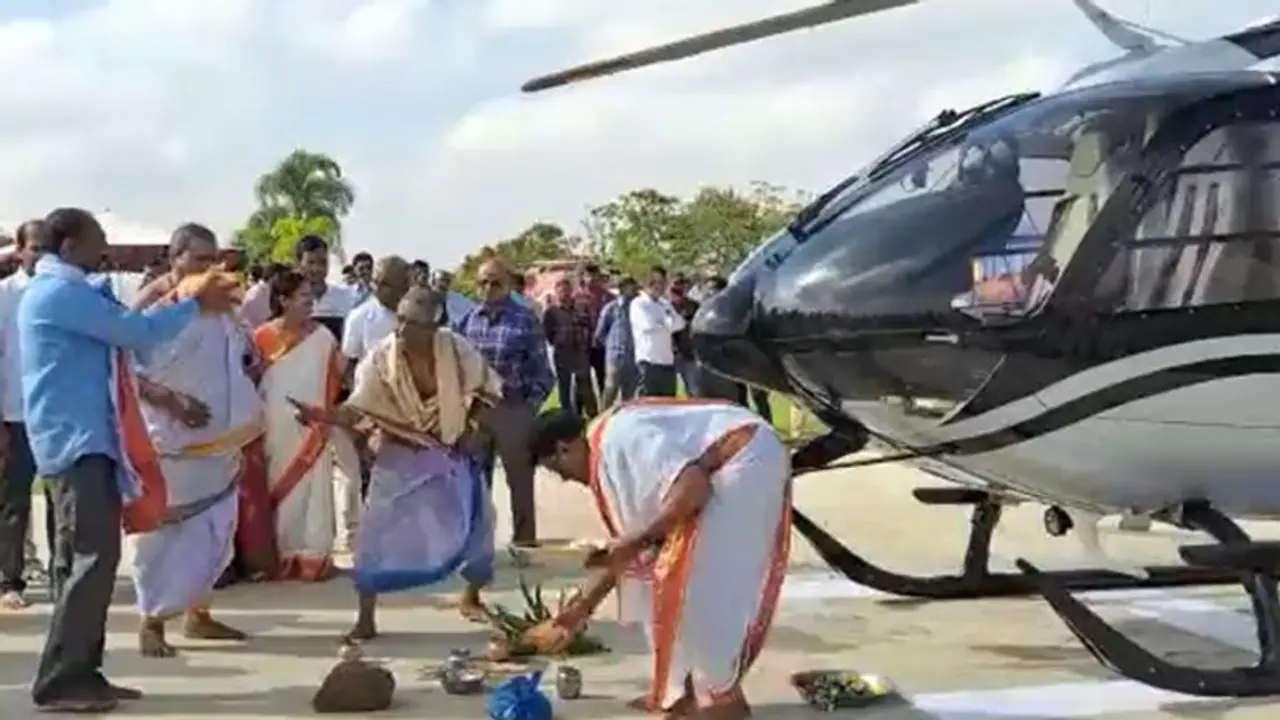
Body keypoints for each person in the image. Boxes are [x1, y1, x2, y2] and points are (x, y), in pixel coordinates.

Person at [22, 208, 238, 713]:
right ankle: (63, 679)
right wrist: (190, 301)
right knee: (90, 561)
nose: (107, 246)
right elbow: (138, 333)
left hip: (90, 441)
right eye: (98, 238)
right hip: (77, 444)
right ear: (71, 243)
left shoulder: (73, 291)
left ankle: (80, 672)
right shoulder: (59, 294)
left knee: (90, 562)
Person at [524, 401, 792, 720]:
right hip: (719, 468)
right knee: (661, 577)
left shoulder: (623, 439)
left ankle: (722, 701)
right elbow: (628, 554)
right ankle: (686, 693)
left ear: (564, 448)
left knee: (702, 585)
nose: (567, 481)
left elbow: (693, 488)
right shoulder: (606, 455)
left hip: (744, 458)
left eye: (558, 470)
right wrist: (575, 614)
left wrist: (640, 540)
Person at [293, 288, 502, 639]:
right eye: (400, 319)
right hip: (400, 452)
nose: (402, 329)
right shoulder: (380, 358)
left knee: (478, 525)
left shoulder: (454, 348)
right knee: (376, 535)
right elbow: (358, 410)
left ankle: (471, 596)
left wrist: (474, 426)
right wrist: (323, 416)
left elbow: (488, 388)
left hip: (449, 450)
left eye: (413, 323)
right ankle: (365, 618)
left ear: (435, 326)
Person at [125, 223, 264, 659]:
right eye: (200, 259)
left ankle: (198, 614)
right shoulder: (156, 304)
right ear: (175, 259)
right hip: (172, 441)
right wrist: (170, 399)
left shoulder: (220, 302)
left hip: (222, 441)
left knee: (217, 529)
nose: (211, 268)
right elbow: (125, 367)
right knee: (164, 536)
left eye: (214, 259)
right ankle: (152, 620)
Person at [254, 270, 355, 581]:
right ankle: (283, 556)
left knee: (314, 488)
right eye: (302, 297)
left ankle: (314, 557)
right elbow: (255, 380)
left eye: (311, 296)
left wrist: (324, 414)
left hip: (313, 423)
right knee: (280, 486)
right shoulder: (261, 337)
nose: (310, 302)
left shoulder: (323, 338)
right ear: (283, 300)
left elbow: (336, 378)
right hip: (275, 422)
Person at [451, 259, 554, 547]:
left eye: (495, 283)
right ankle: (477, 544)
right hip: (477, 412)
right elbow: (455, 367)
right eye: (482, 283)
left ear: (508, 285)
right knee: (475, 482)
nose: (488, 289)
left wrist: (528, 409)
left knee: (520, 483)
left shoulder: (525, 320)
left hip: (514, 411)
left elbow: (544, 372)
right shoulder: (467, 321)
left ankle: (524, 543)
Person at [0, 220, 46, 609]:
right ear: (19, 250)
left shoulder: (63, 292)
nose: (40, 255)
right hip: (15, 412)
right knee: (15, 500)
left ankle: (65, 574)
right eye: (34, 247)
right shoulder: (4, 296)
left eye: (46, 247)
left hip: (58, 413)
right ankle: (9, 580)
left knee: (64, 500)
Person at [543, 277, 597, 418]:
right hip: (562, 354)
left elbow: (590, 326)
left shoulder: (580, 309)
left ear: (571, 291)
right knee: (564, 387)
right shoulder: (551, 312)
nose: (565, 294)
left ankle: (592, 416)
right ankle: (567, 417)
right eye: (561, 292)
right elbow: (547, 332)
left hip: (580, 353)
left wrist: (586, 343)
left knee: (585, 387)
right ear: (556, 293)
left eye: (567, 291)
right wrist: (558, 341)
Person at [630, 265, 685, 397]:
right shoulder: (639, 303)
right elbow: (648, 325)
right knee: (647, 408)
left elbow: (680, 324)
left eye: (661, 282)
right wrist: (667, 322)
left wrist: (663, 323)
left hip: (667, 364)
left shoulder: (665, 304)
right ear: (646, 282)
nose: (657, 286)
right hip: (648, 364)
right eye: (653, 282)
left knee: (668, 407)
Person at [296, 235, 359, 347]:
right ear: (298, 264)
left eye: (322, 262)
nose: (317, 268)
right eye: (311, 262)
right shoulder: (291, 301)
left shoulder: (345, 297)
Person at [593, 276, 638, 406]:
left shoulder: (638, 308)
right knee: (610, 389)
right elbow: (600, 334)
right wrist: (613, 346)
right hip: (615, 358)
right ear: (622, 289)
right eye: (631, 287)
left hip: (633, 358)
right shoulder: (611, 308)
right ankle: (602, 418)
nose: (635, 291)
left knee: (629, 395)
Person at [576, 264, 612, 395]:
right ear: (583, 277)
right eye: (588, 275)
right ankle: (580, 412)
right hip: (582, 345)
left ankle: (604, 410)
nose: (591, 278)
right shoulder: (577, 297)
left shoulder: (608, 297)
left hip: (601, 345)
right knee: (582, 381)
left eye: (594, 275)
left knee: (603, 379)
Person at [667, 274, 701, 397]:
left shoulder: (694, 306)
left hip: (689, 354)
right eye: (675, 286)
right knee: (669, 391)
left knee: (693, 390)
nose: (678, 288)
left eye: (681, 285)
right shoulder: (664, 306)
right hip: (669, 355)